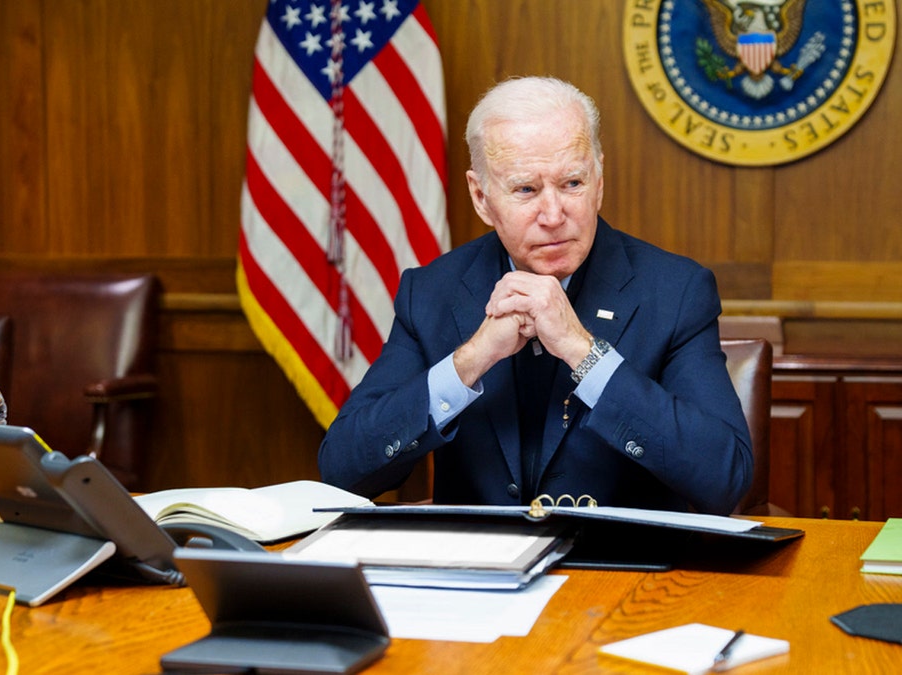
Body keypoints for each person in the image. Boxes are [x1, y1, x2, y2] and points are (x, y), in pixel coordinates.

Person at [318, 76, 752, 515]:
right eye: (526, 189)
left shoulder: (675, 291)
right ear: (481, 196)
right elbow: (342, 470)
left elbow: (725, 476)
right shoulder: (431, 291)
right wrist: (471, 359)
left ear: (598, 180)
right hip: (481, 573)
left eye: (572, 184)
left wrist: (584, 353)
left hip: (623, 571)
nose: (553, 215)